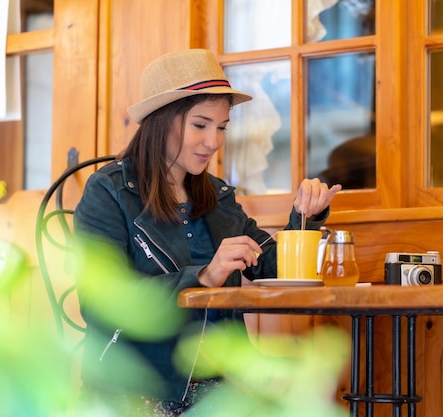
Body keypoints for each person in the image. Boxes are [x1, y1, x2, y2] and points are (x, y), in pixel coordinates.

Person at [73, 48, 342, 416]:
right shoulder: (109, 192)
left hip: (220, 387)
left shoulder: (216, 195)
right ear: (160, 120)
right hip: (136, 387)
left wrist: (305, 217)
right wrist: (202, 277)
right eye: (200, 125)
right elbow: (101, 301)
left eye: (221, 128)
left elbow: (274, 268)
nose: (213, 142)